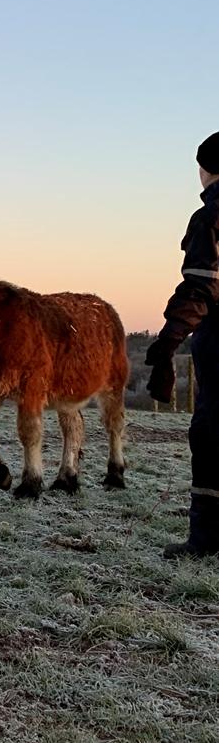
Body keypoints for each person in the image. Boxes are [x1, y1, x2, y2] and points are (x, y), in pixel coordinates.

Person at [146, 132, 219, 558]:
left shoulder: (211, 217)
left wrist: (168, 342)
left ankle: (206, 540)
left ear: (207, 169)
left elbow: (201, 288)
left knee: (210, 438)